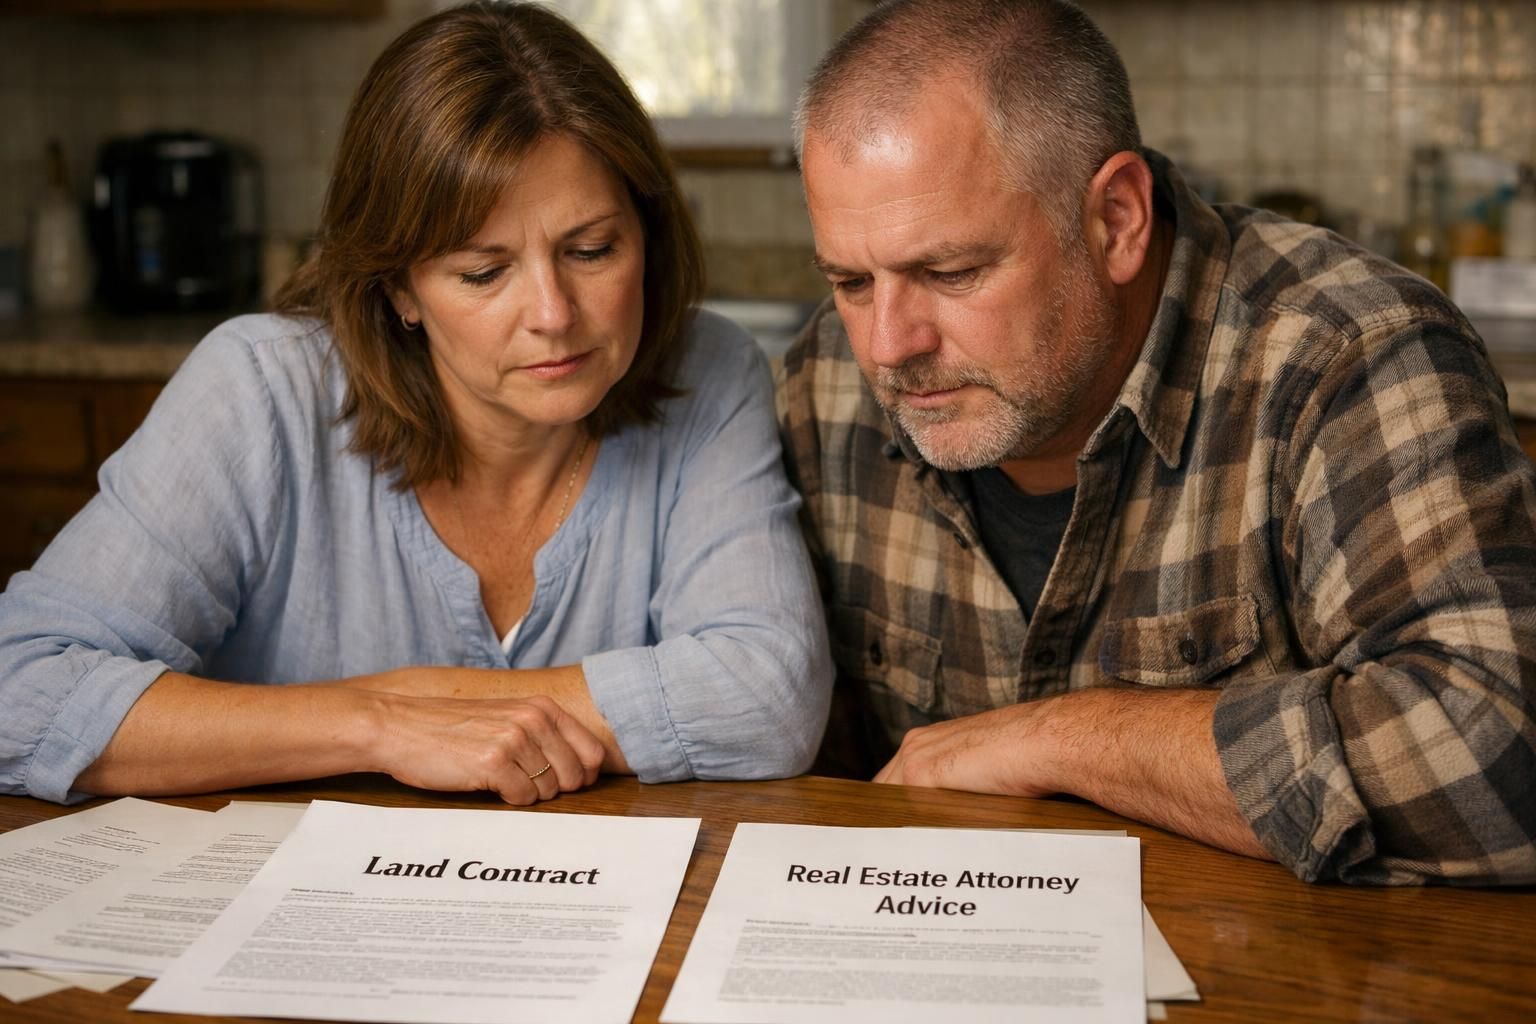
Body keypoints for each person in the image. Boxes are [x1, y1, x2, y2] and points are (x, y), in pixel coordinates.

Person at [0, 1, 831, 807]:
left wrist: (441, 702)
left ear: (648, 235)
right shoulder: (257, 389)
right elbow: (19, 687)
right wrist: (379, 722)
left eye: (591, 249)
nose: (552, 313)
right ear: (400, 286)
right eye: (483, 272)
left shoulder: (709, 368)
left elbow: (769, 694)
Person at [779, 0, 1536, 885]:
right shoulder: (826, 385)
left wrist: (1057, 738)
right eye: (850, 281)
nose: (887, 345)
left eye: (950, 273)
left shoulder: (1346, 355)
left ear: (1118, 220)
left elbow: (1499, 754)